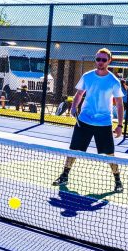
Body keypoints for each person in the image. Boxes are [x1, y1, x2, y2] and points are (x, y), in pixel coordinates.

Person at [53, 48, 124, 193]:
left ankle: (118, 181)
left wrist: (120, 125)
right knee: (73, 150)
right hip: (84, 120)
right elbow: (79, 93)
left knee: (110, 154)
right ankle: (64, 175)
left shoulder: (113, 81)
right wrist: (73, 107)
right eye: (98, 59)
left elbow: (120, 103)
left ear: (109, 61)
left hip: (104, 123)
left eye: (104, 60)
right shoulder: (87, 76)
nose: (100, 62)